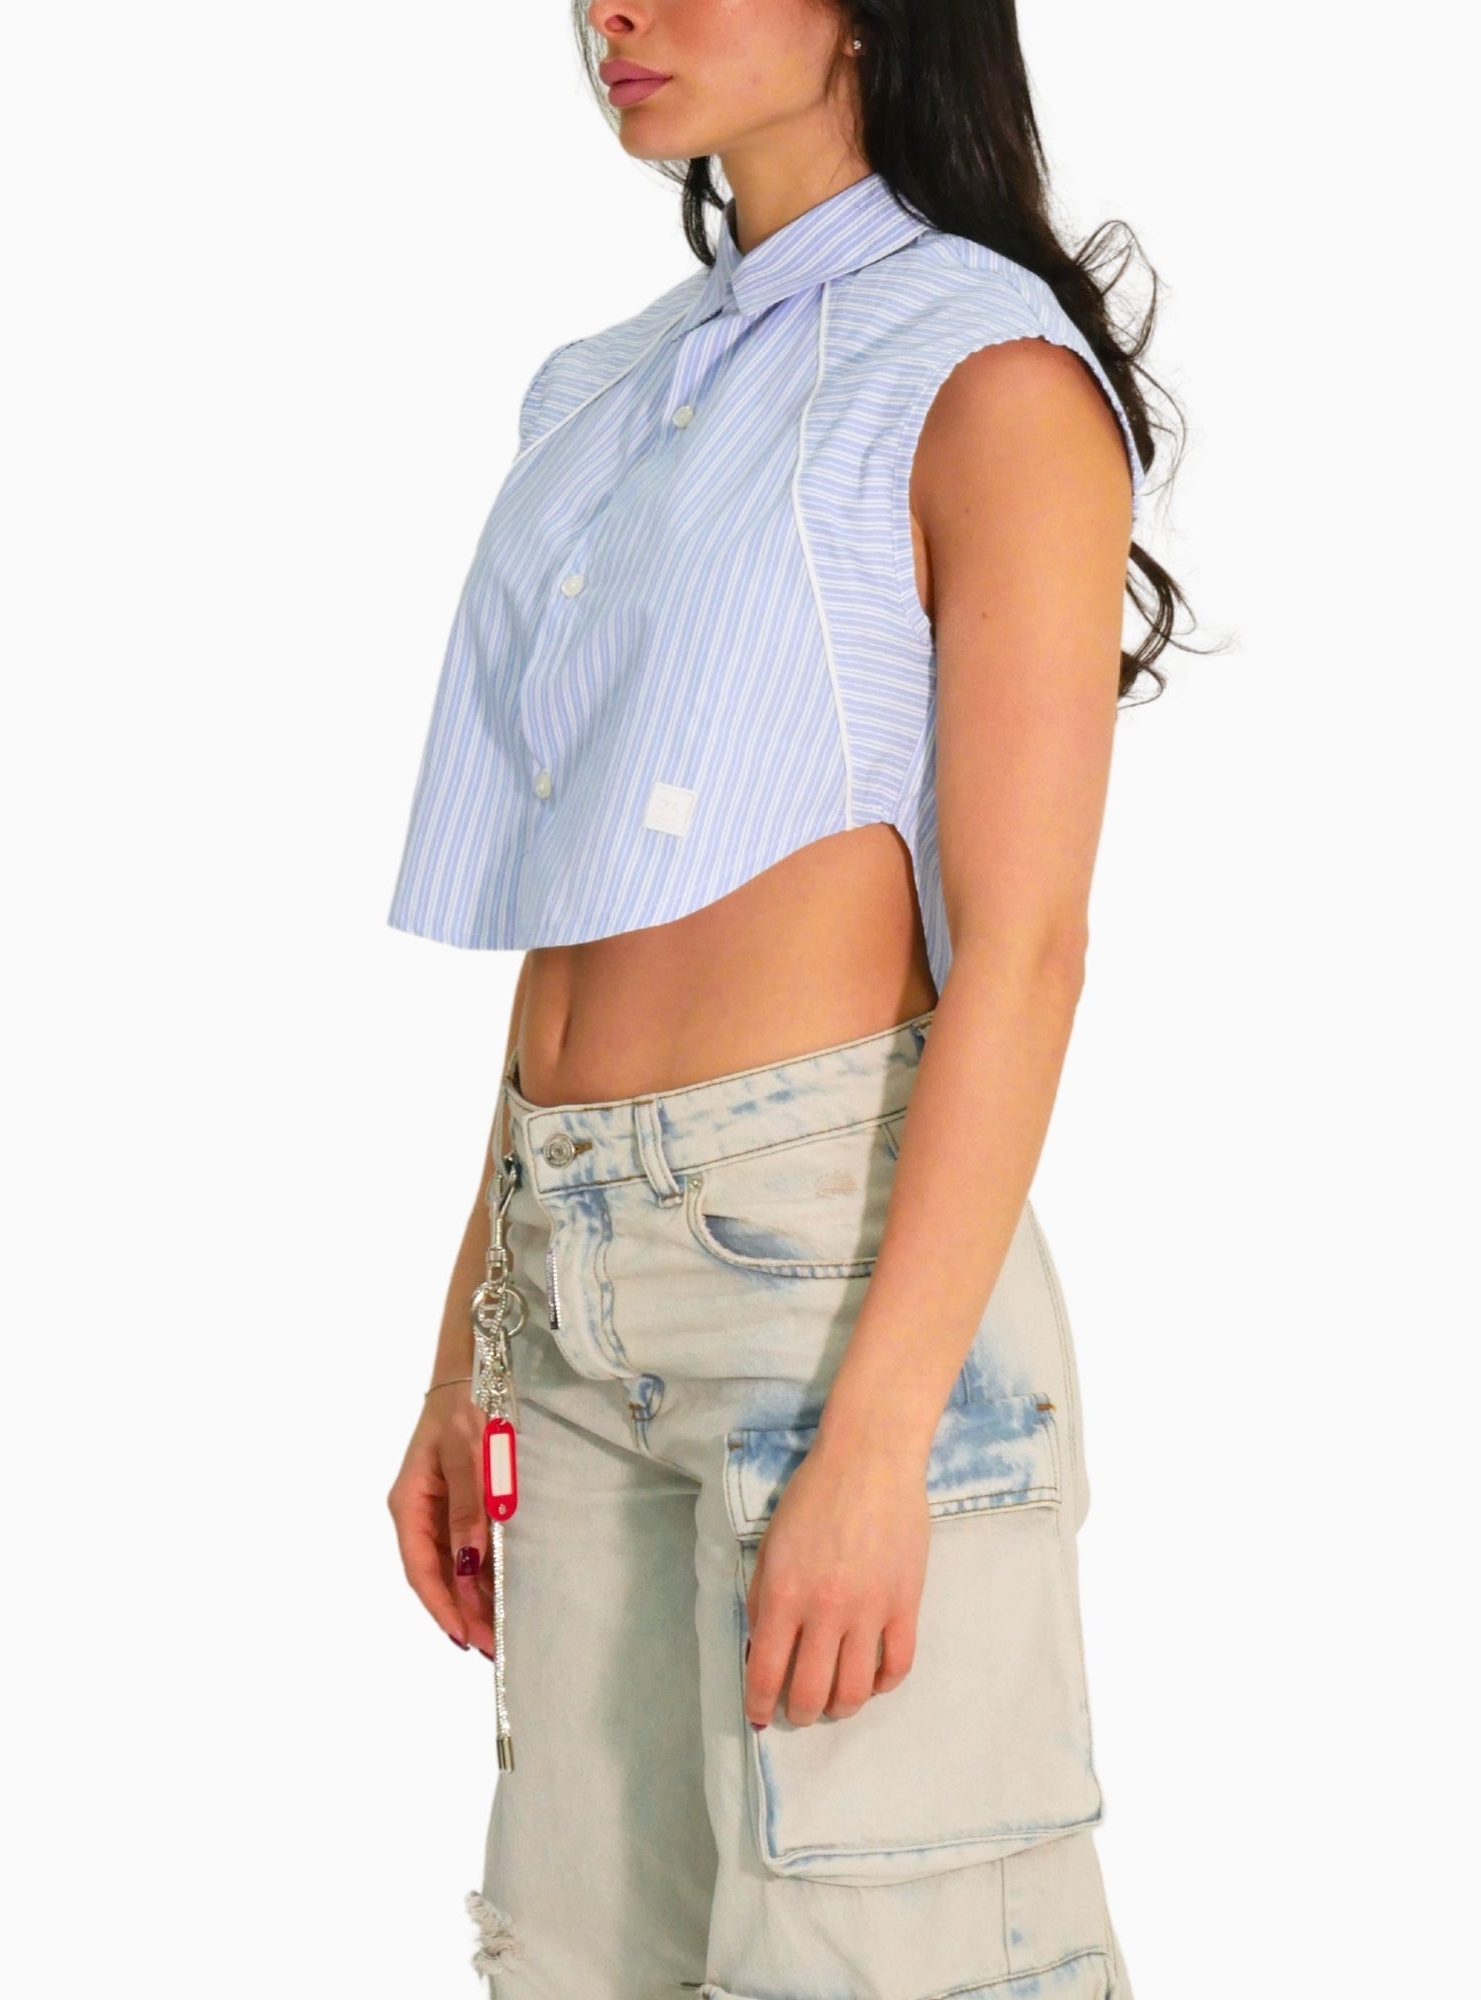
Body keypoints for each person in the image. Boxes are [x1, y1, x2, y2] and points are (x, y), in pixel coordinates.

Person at [384, 4, 1191, 1995]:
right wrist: (467, 1340)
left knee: (878, 1959)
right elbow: (576, 907)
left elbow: (1025, 948)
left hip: (825, 1277)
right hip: (562, 1265)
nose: (613, 12)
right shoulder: (605, 390)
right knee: (578, 1963)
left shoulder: (987, 373)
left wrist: (883, 1439)